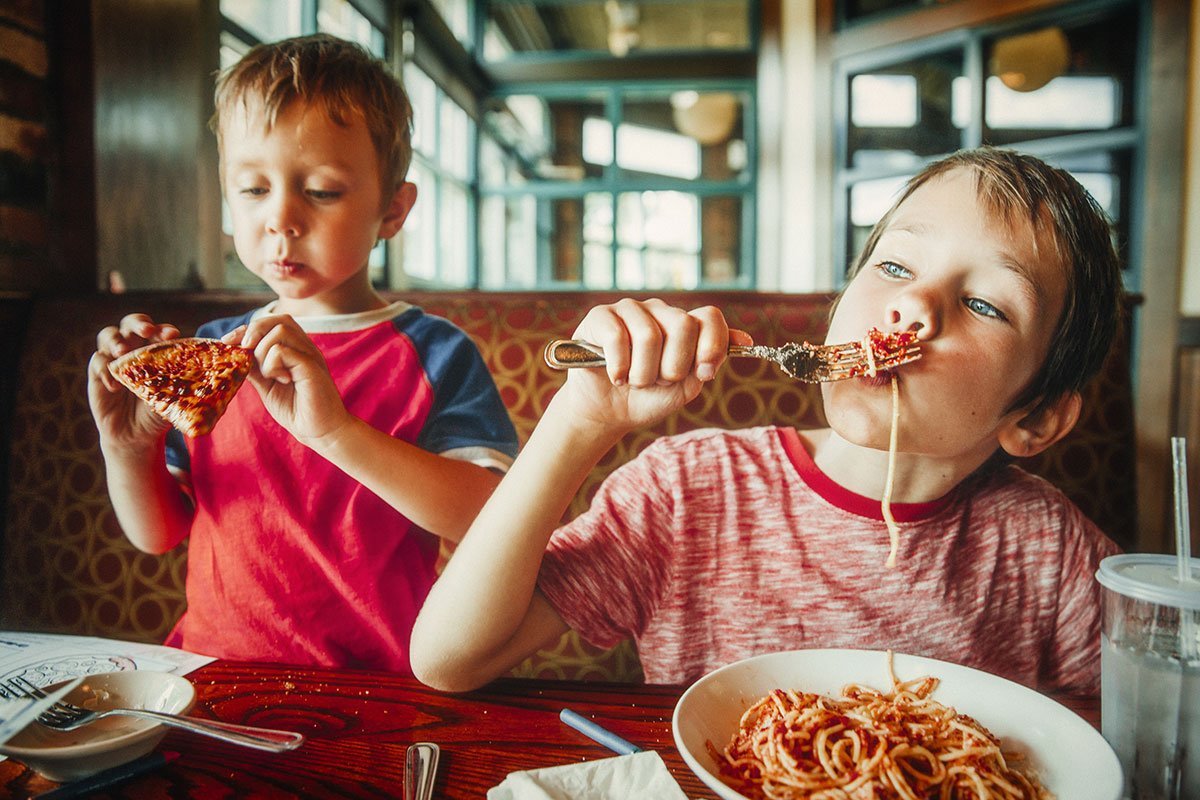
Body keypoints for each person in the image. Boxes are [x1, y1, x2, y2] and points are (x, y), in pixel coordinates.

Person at [409, 146, 1122, 696]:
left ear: (1036, 418)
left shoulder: (1048, 549)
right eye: (896, 266)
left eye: (986, 304)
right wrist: (579, 419)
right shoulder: (689, 489)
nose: (912, 308)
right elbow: (449, 658)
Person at [87, 34, 518, 672]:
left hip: (380, 682)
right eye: (254, 190)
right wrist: (126, 448)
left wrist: (338, 432)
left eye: (320, 191)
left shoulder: (434, 353)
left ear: (393, 209)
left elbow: (490, 523)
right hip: (211, 671)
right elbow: (158, 534)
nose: (281, 218)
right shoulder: (210, 356)